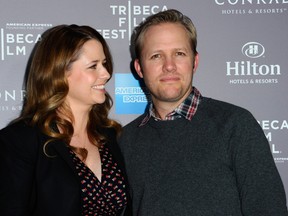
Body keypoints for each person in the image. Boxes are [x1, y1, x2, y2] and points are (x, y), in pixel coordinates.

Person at [118, 9, 288, 215]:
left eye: (179, 54)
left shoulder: (235, 125)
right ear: (139, 68)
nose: (169, 66)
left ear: (195, 62)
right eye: (156, 56)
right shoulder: (125, 141)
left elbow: (269, 209)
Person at [0, 24, 130, 216]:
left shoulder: (110, 136)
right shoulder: (21, 140)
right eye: (93, 66)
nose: (106, 74)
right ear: (60, 73)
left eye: (104, 64)